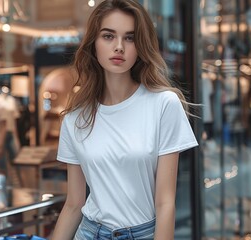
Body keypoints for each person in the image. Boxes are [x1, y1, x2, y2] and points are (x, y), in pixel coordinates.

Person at [51, 0, 198, 239]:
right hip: (89, 232)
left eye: (129, 38)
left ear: (140, 46)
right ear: (94, 44)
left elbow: (165, 203)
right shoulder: (75, 118)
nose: (119, 47)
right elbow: (74, 203)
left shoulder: (163, 104)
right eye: (108, 36)